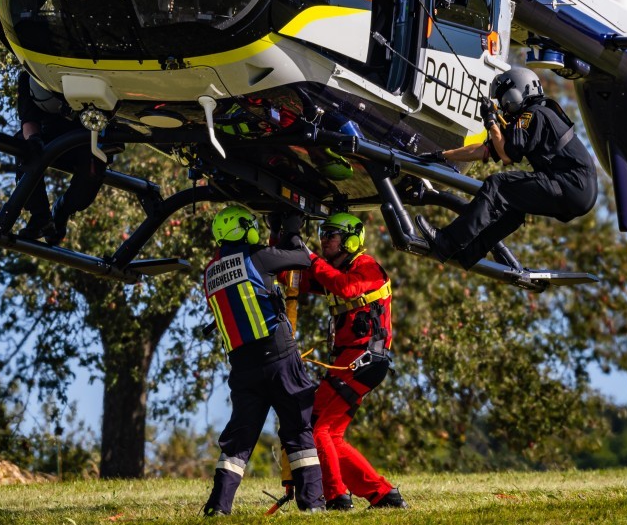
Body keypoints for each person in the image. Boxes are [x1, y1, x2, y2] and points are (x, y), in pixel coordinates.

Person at [202, 205, 325, 516]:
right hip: (280, 359)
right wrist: (293, 232)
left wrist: (277, 236)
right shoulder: (258, 258)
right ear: (245, 228)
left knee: (238, 442)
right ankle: (312, 505)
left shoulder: (211, 271)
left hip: (242, 368)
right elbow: (303, 260)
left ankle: (218, 507)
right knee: (299, 427)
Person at [421, 67, 597, 269]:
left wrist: (491, 121)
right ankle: (466, 254)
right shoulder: (536, 116)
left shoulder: (533, 114)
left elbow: (506, 154)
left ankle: (447, 241)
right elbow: (484, 150)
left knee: (497, 185)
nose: (503, 106)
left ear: (516, 92)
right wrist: (441, 155)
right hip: (578, 191)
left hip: (571, 184)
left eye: (504, 98)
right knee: (513, 206)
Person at [302, 212, 407, 511]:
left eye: (331, 235)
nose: (324, 241)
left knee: (318, 429)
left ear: (350, 239)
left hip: (364, 359)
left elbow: (346, 288)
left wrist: (309, 258)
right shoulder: (335, 271)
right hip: (350, 360)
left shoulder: (367, 266)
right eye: (322, 234)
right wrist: (281, 244)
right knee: (327, 431)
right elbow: (298, 278)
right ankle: (383, 495)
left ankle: (336, 497)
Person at [14, 70, 108, 246]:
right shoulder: (28, 76)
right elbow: (28, 121)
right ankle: (40, 217)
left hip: (87, 136)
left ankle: (62, 211)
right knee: (22, 145)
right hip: (49, 137)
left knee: (92, 173)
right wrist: (33, 143)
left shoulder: (86, 73)